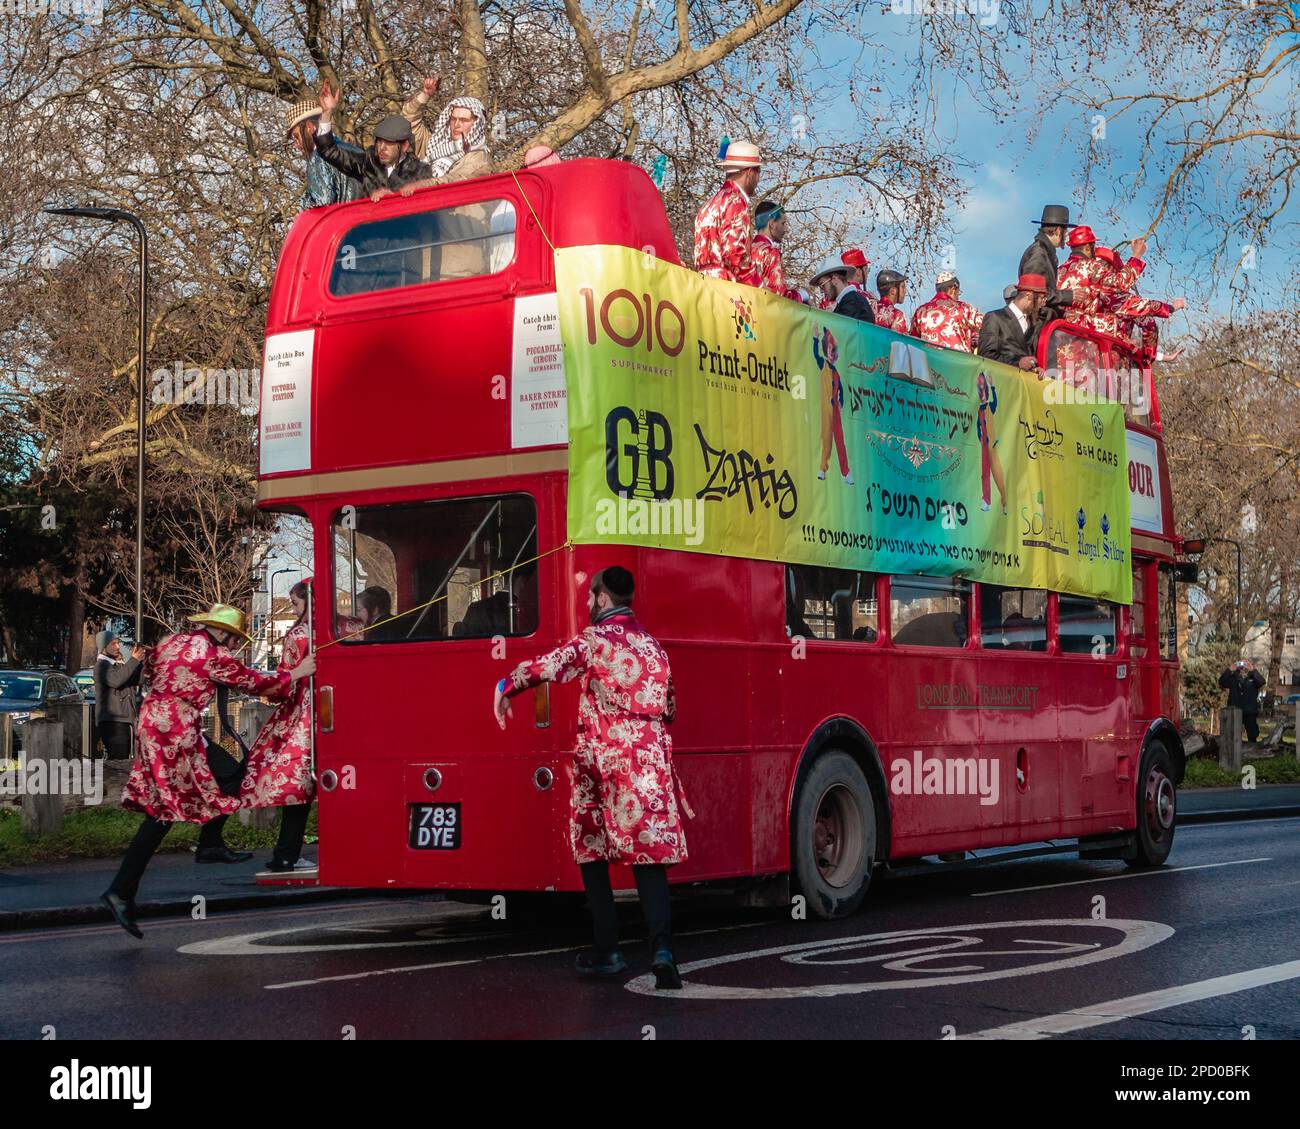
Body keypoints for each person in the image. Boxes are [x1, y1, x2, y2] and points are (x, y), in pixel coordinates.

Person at [492, 566, 692, 989]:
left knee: (591, 849)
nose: (587, 604)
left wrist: (506, 684)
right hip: (649, 760)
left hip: (604, 762)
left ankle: (609, 950)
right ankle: (663, 951)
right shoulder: (655, 647)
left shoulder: (596, 641)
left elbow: (552, 666)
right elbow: (670, 707)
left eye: (590, 598)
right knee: (649, 856)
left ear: (603, 599)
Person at [101, 604, 315, 938]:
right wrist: (297, 672)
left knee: (230, 774)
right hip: (174, 727)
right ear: (222, 632)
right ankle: (121, 890)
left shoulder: (172, 641)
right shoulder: (215, 656)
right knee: (164, 811)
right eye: (233, 639)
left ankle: (209, 843)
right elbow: (254, 682)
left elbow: (152, 665)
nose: (233, 646)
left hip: (158, 721)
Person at [241, 580, 318, 873]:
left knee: (295, 785)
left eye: (297, 604)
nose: (295, 610)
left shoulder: (298, 635)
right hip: (338, 715)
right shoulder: (344, 629)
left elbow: (284, 683)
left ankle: (286, 853)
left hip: (302, 717)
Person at [314, 83, 431, 202]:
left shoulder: (420, 171)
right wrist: (326, 113)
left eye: (389, 142)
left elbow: (427, 210)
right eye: (379, 142)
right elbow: (329, 151)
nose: (382, 148)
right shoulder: (369, 162)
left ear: (404, 146)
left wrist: (393, 197)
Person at [397, 77, 492, 192]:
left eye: (463, 120)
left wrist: (423, 184)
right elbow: (406, 124)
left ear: (476, 124)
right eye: (453, 119)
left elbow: (457, 180)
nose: (456, 124)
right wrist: (425, 95)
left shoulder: (479, 157)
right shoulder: (434, 146)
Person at [1095, 244, 1185, 359]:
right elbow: (1149, 322)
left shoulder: (1078, 291)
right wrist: (1172, 307)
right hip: (1111, 363)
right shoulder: (1119, 299)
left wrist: (1162, 357)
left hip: (1076, 361)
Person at [694, 140, 761, 284]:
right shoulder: (735, 201)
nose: (758, 180)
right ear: (750, 172)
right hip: (726, 290)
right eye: (758, 172)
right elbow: (734, 255)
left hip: (702, 286)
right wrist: (758, 287)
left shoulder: (709, 204)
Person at [285, 98, 361, 210]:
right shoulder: (355, 150)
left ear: (309, 127)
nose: (296, 145)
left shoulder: (318, 157)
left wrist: (304, 207)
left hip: (344, 226)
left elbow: (321, 205)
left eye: (297, 137)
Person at [1018, 205, 1077, 325]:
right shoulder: (1039, 253)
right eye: (1065, 231)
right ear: (1058, 230)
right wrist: (1069, 296)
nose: (1066, 236)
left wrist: (1061, 314)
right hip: (1034, 326)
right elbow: (1032, 292)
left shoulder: (1044, 252)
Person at [811, 326, 854, 486]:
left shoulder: (836, 371)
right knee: (827, 439)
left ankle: (846, 472)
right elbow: (815, 355)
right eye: (830, 349)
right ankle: (823, 468)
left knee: (840, 441)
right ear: (825, 350)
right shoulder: (823, 365)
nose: (833, 353)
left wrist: (841, 401)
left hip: (835, 409)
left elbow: (841, 389)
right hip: (826, 409)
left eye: (834, 350)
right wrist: (815, 338)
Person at [93, 630, 144, 760]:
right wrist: (133, 660)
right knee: (117, 761)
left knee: (125, 760)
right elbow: (116, 680)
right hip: (113, 723)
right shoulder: (101, 666)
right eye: (113, 644)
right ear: (103, 648)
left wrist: (140, 662)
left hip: (125, 721)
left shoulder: (117, 665)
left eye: (118, 643)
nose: (117, 647)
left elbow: (137, 679)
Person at [978, 274, 1046, 371]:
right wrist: (1017, 363)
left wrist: (1035, 368)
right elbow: (985, 355)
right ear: (1028, 296)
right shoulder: (994, 318)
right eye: (1041, 298)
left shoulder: (1033, 324)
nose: (1043, 304)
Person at [911, 271, 983, 352]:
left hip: (929, 362)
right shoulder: (963, 308)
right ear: (953, 289)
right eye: (958, 292)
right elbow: (987, 326)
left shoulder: (920, 311)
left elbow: (913, 341)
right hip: (958, 362)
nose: (958, 297)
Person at [751, 201, 799, 300]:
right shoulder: (770, 252)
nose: (786, 229)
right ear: (772, 223)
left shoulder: (746, 248)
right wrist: (801, 295)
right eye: (783, 223)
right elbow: (779, 296)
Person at [976, 371, 1008, 514]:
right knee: (985, 474)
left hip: (992, 445)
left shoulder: (990, 406)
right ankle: (986, 501)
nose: (982, 391)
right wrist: (980, 437)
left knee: (997, 473)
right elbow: (978, 425)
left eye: (984, 388)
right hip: (984, 445)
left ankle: (1004, 500)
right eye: (980, 388)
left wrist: (993, 385)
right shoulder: (979, 410)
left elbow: (996, 402)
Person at [810, 254, 875, 322]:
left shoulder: (851, 302)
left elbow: (837, 330)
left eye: (822, 285)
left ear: (834, 279)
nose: (822, 291)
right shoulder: (851, 300)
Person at [1219, 660, 1266, 745]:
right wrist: (1229, 670)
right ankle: (1233, 753)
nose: (1243, 667)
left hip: (1250, 711)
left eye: (1245, 664)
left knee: (1252, 735)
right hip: (1235, 711)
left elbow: (1261, 682)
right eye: (1241, 664)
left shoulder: (1253, 678)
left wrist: (1253, 670)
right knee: (1233, 735)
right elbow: (1222, 682)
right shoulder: (1233, 678)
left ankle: (1252, 751)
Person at [873, 269, 911, 334]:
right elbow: (900, 342)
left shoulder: (870, 307)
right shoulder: (897, 315)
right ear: (893, 291)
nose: (905, 291)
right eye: (902, 287)